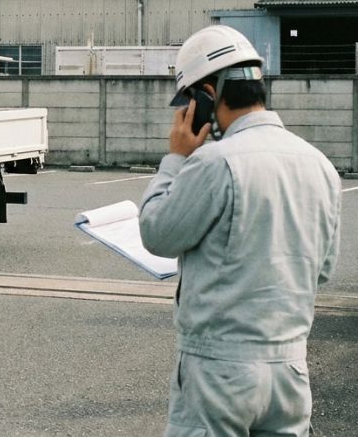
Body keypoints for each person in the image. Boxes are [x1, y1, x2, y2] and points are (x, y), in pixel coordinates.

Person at [138, 25, 341, 437]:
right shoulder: (320, 165)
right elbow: (321, 270)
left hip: (219, 371)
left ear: (205, 97)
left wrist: (175, 158)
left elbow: (156, 232)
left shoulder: (213, 162)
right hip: (289, 371)